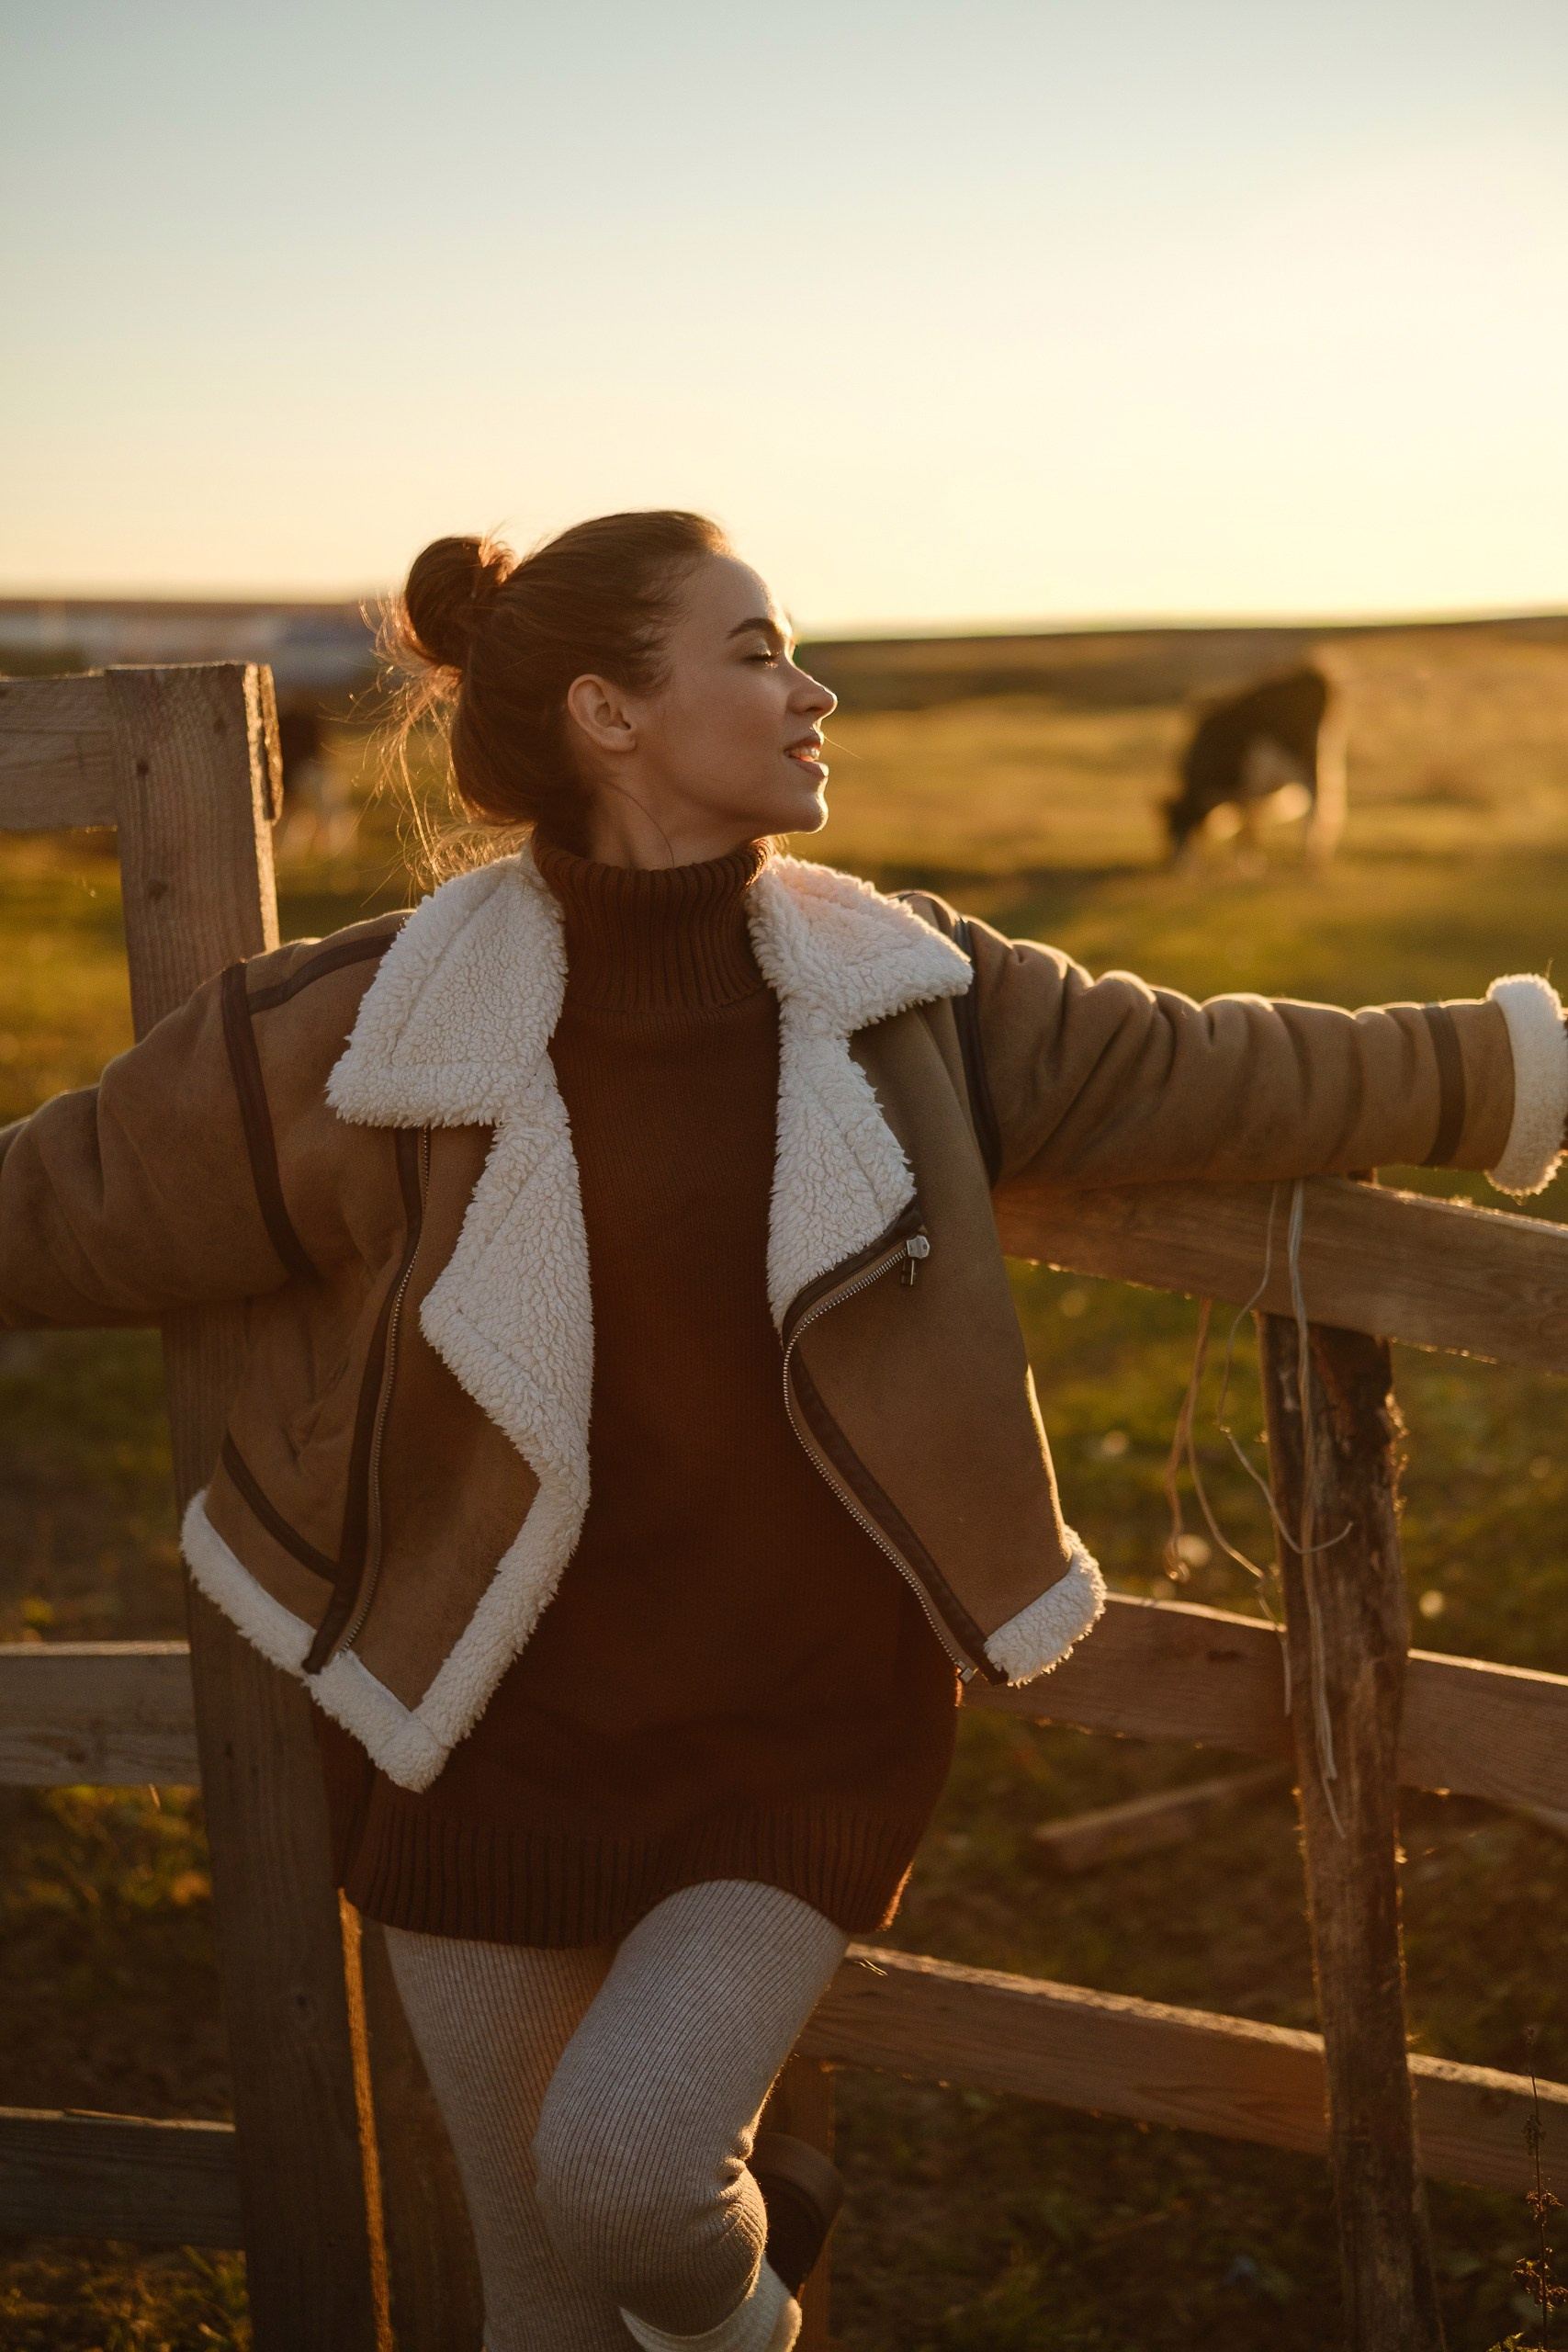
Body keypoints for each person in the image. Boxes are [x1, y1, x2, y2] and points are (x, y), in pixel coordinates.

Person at [2, 510, 1563, 2352]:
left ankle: (756, 2311)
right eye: (752, 652)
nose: (810, 687)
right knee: (534, 2313)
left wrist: (1509, 1062)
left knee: (629, 2170)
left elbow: (1212, 1059)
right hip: (478, 1726)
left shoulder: (899, 987)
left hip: (796, 1728)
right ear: (608, 711)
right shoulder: (370, 1025)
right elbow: (77, 1197)